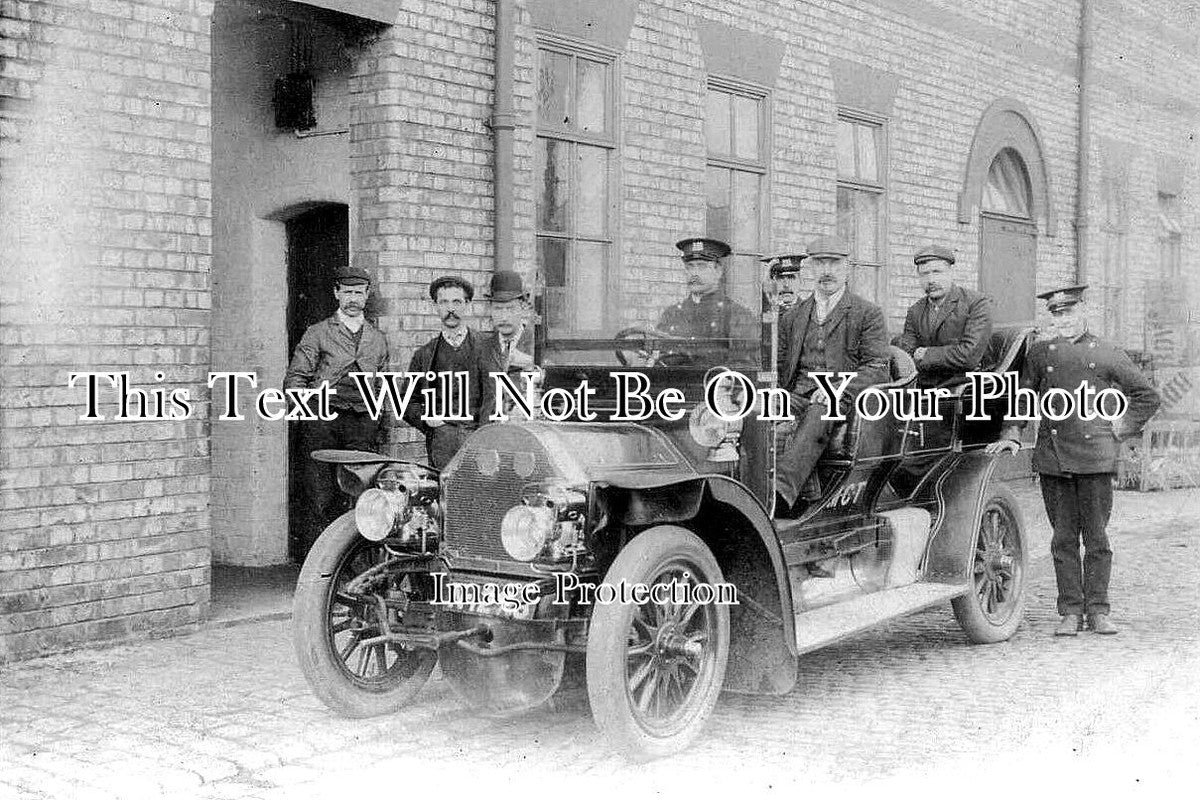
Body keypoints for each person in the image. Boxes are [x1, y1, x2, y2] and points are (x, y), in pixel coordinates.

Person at [986, 285, 1160, 637]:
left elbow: (1147, 395)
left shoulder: (1108, 353)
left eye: (1068, 312)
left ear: (1084, 311)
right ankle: (1069, 611)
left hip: (1095, 456)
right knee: (1062, 538)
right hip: (1054, 457)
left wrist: (1122, 425)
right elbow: (1022, 396)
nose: (1062, 320)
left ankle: (1098, 610)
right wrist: (1012, 434)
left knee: (1096, 538)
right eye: (1057, 314)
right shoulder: (1039, 353)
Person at [776, 235, 889, 516]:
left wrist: (835, 389)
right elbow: (779, 366)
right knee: (755, 410)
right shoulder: (793, 316)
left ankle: (778, 493)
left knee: (820, 411)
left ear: (847, 268)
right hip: (796, 394)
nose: (826, 271)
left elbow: (877, 368)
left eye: (834, 263)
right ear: (811, 269)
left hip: (842, 401)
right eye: (820, 263)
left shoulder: (867, 313)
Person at [284, 265, 389, 554]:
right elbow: (295, 379)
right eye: (347, 292)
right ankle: (318, 566)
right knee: (320, 493)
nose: (353, 298)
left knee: (361, 492)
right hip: (324, 420)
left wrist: (377, 416)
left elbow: (381, 383)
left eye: (359, 292)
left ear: (367, 295)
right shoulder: (317, 333)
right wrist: (309, 414)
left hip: (361, 423)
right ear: (336, 294)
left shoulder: (377, 338)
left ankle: (354, 565)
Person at [403, 275, 503, 470]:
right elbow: (407, 402)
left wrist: (484, 442)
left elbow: (493, 399)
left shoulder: (487, 348)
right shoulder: (424, 355)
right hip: (441, 442)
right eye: (444, 302)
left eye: (457, 302)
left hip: (477, 440)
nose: (451, 309)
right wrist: (427, 419)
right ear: (435, 306)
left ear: (467, 305)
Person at [893, 244, 993, 388]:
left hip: (963, 388)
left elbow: (969, 356)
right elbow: (907, 355)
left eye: (937, 272)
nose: (931, 280)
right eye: (924, 274)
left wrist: (926, 354)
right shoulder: (915, 311)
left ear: (951, 273)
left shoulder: (976, 303)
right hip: (924, 385)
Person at [655, 237, 758, 366]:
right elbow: (662, 362)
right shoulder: (671, 314)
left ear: (718, 271)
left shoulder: (738, 316)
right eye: (690, 267)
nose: (694, 274)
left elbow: (745, 365)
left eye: (702, 267)